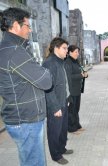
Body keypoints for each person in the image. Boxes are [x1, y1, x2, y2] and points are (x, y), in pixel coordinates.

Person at [0, 7, 52, 166]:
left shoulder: (9, 48)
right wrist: (44, 70)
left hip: (20, 117)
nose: (29, 30)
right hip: (26, 120)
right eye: (27, 26)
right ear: (16, 25)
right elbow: (46, 81)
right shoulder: (14, 52)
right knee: (34, 162)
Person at [42, 37, 73, 165]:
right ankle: (56, 155)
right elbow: (47, 88)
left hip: (63, 101)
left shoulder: (61, 62)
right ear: (56, 48)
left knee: (63, 129)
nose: (67, 51)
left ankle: (61, 148)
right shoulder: (49, 63)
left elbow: (63, 83)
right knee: (54, 131)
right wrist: (55, 107)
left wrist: (68, 98)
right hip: (55, 104)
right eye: (64, 48)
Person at [64, 45, 88, 134]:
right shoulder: (68, 62)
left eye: (78, 52)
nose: (77, 54)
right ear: (70, 52)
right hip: (71, 90)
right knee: (71, 110)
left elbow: (80, 70)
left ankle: (77, 125)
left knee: (76, 109)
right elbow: (68, 77)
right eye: (75, 52)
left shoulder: (75, 61)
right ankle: (71, 128)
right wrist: (81, 75)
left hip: (77, 90)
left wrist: (84, 73)